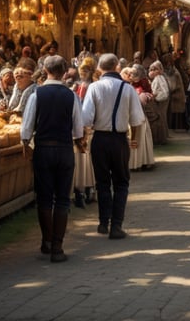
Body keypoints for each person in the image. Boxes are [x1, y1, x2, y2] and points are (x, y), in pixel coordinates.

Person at [21, 54, 83, 263]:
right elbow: (78, 128)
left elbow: (27, 127)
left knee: (45, 198)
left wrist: (25, 143)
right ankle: (57, 246)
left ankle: (47, 241)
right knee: (63, 199)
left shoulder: (36, 95)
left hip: (43, 150)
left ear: (45, 71)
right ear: (64, 72)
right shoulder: (71, 96)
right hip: (64, 150)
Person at [81, 52, 144, 239]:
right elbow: (137, 118)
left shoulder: (94, 87)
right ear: (117, 66)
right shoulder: (128, 88)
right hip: (119, 139)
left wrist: (84, 138)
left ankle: (103, 222)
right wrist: (135, 138)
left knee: (102, 182)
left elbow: (86, 118)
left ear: (100, 68)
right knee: (121, 182)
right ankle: (116, 225)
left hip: (100, 139)